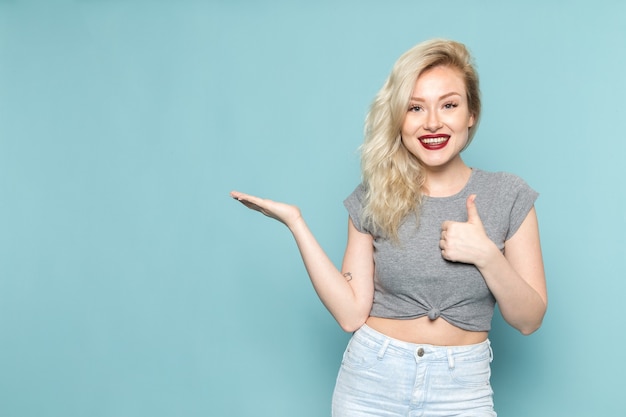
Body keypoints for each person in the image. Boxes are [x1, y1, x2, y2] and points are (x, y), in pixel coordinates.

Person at [230, 39, 547, 416]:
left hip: (462, 390)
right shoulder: (373, 197)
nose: (432, 122)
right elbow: (350, 314)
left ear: (471, 113)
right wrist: (296, 224)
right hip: (371, 383)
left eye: (449, 105)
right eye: (415, 108)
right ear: (399, 117)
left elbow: (529, 320)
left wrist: (486, 256)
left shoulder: (508, 195)